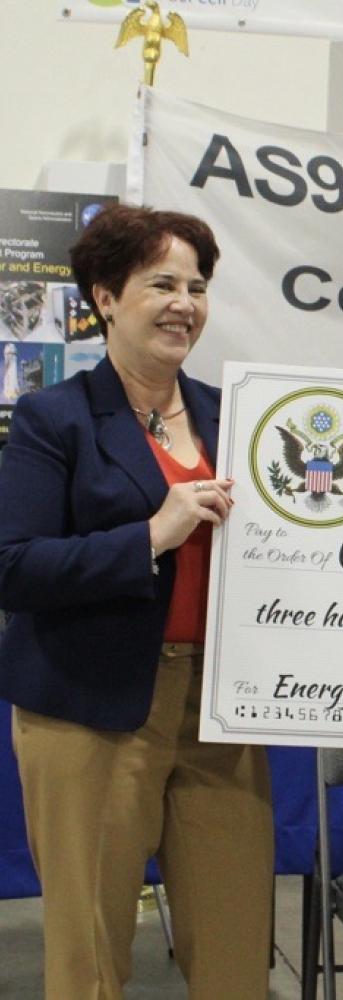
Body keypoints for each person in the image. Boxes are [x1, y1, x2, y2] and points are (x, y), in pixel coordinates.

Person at [0, 204, 274, 999]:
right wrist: (152, 533)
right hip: (88, 711)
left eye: (197, 285)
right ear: (107, 296)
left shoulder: (241, 414)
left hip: (221, 710)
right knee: (89, 951)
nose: (185, 302)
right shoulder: (57, 418)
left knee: (234, 945)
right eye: (162, 283)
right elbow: (14, 568)